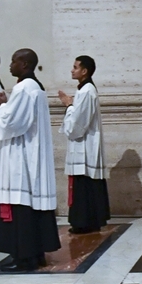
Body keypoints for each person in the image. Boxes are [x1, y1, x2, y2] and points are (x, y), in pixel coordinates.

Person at [0, 49, 59, 272]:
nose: (10, 66)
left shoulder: (24, 88)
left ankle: (24, 258)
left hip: (21, 156)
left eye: (14, 61)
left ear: (25, 64)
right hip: (30, 152)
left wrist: (1, 106)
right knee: (30, 206)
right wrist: (7, 105)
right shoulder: (34, 87)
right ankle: (35, 254)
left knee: (22, 205)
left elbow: (12, 122)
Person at [58, 55, 110, 235]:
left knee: (84, 185)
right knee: (85, 185)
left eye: (75, 67)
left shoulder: (87, 91)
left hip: (85, 147)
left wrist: (68, 105)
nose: (72, 70)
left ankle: (84, 222)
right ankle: (89, 221)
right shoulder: (85, 90)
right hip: (84, 146)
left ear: (85, 71)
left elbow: (77, 126)